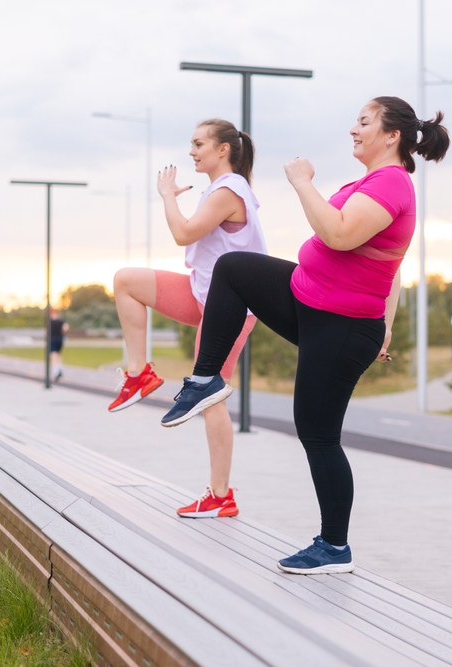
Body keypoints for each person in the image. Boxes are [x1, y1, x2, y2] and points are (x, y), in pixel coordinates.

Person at [161, 97, 449, 573]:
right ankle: (204, 380)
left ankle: (334, 547)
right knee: (232, 269)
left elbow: (337, 234)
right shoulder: (371, 182)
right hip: (308, 299)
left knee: (317, 433)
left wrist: (302, 183)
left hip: (341, 324)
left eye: (364, 122)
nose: (353, 129)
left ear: (391, 135)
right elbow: (391, 269)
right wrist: (389, 326)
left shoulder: (393, 183)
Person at [110, 118, 267, 518]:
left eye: (199, 144)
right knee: (126, 281)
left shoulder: (230, 189)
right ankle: (138, 374)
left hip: (229, 309)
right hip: (202, 292)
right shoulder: (219, 188)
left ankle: (220, 496)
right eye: (191, 144)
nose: (192, 151)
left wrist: (166, 195)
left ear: (223, 149)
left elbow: (183, 234)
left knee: (210, 396)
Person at [49, 309, 69, 381]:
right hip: (60, 339)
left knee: (53, 356)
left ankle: (56, 372)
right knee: (59, 355)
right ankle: (60, 369)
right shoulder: (61, 321)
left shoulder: (49, 321)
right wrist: (63, 333)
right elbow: (66, 328)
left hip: (52, 339)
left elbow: (45, 330)